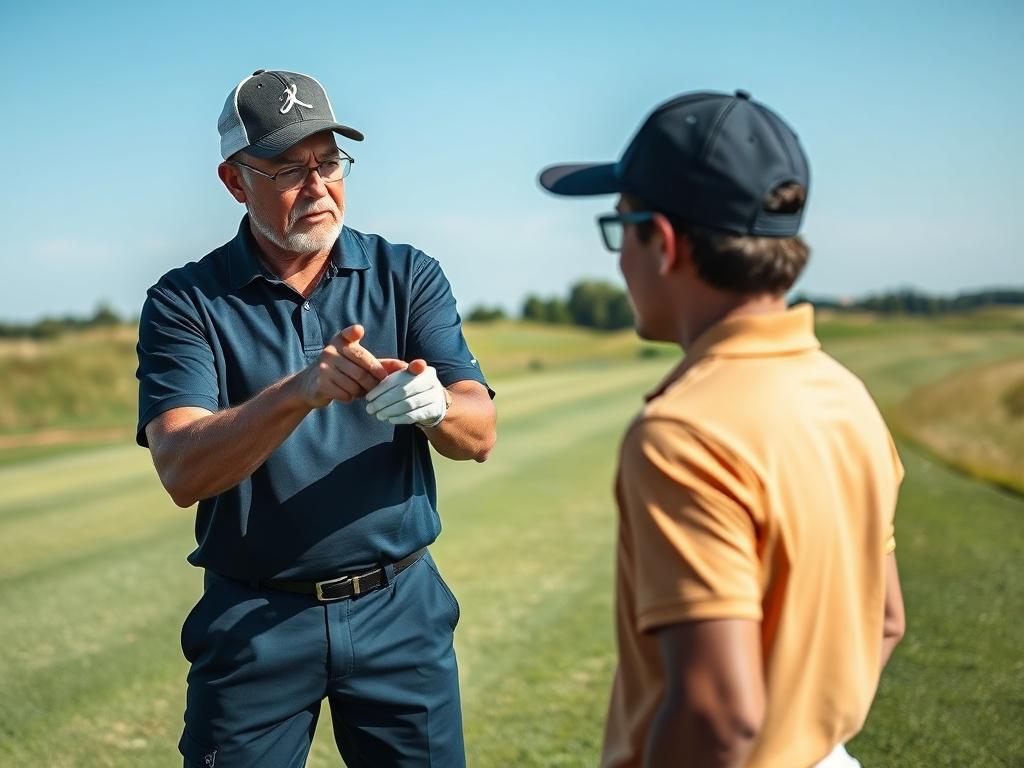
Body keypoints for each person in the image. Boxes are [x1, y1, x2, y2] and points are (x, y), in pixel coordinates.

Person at [136, 69, 496, 768]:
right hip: (254, 620)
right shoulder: (186, 301)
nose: (318, 187)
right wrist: (300, 390)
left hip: (401, 608)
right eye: (287, 170)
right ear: (235, 182)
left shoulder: (407, 272)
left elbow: (478, 432)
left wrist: (437, 407)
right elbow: (181, 467)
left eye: (328, 163)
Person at [538, 90, 905, 768]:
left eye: (622, 227)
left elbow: (719, 715)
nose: (618, 259)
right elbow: (886, 621)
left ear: (665, 242)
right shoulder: (847, 396)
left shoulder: (682, 432)